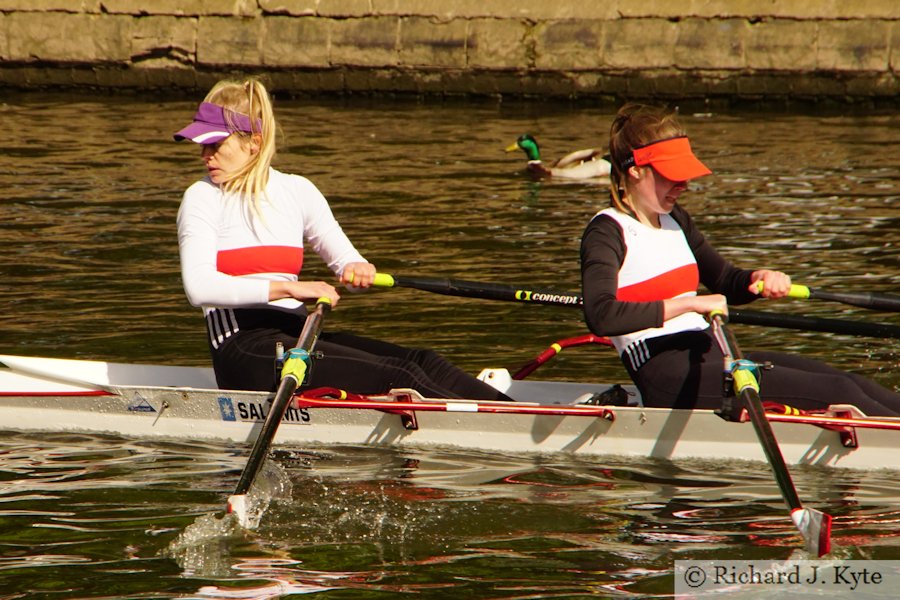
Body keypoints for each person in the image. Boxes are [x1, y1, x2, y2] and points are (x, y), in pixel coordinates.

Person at [174, 77, 510, 401]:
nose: (205, 156)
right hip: (242, 346)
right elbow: (199, 288)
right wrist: (291, 288)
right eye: (201, 145)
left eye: (215, 145)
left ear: (254, 143)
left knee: (423, 361)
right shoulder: (202, 197)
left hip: (298, 336)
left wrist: (358, 269)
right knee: (401, 377)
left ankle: (522, 418)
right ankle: (501, 428)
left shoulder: (297, 190)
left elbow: (347, 264)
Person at [580, 103, 900, 416]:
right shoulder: (607, 231)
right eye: (671, 175)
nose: (684, 184)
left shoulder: (675, 218)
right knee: (839, 395)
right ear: (635, 170)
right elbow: (602, 315)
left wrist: (757, 280)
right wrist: (691, 304)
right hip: (666, 374)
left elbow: (725, 282)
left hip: (709, 352)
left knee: (850, 382)